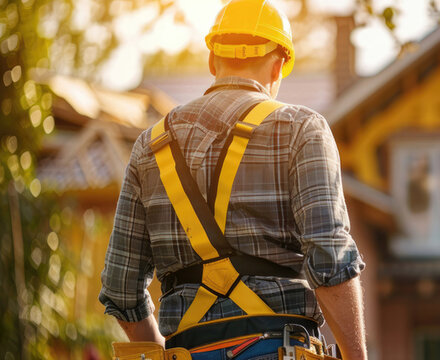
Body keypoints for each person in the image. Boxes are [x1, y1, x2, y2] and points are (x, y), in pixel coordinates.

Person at [98, 1, 367, 359]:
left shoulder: (151, 146)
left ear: (212, 61)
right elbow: (331, 261)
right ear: (279, 64)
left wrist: (169, 351)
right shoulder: (301, 130)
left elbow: (120, 288)